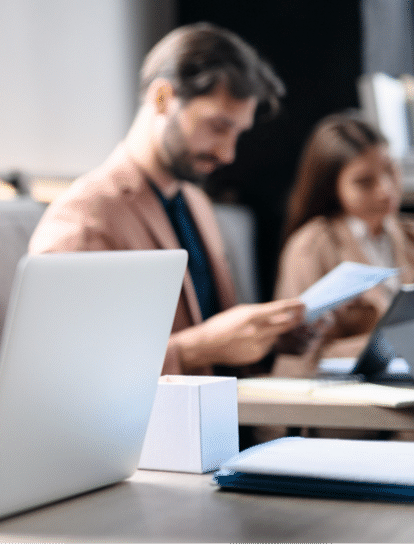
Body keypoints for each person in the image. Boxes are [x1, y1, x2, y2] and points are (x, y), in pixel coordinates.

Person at [28, 22, 314, 376]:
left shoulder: (195, 203)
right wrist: (196, 348)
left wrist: (265, 342)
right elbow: (68, 371)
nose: (228, 154)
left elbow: (211, 336)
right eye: (218, 127)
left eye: (237, 133)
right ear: (162, 98)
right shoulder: (84, 218)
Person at [272, 112, 414, 377]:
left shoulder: (408, 234)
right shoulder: (313, 245)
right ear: (331, 186)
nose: (386, 190)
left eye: (390, 170)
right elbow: (303, 352)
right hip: (326, 398)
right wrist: (395, 345)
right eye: (364, 182)